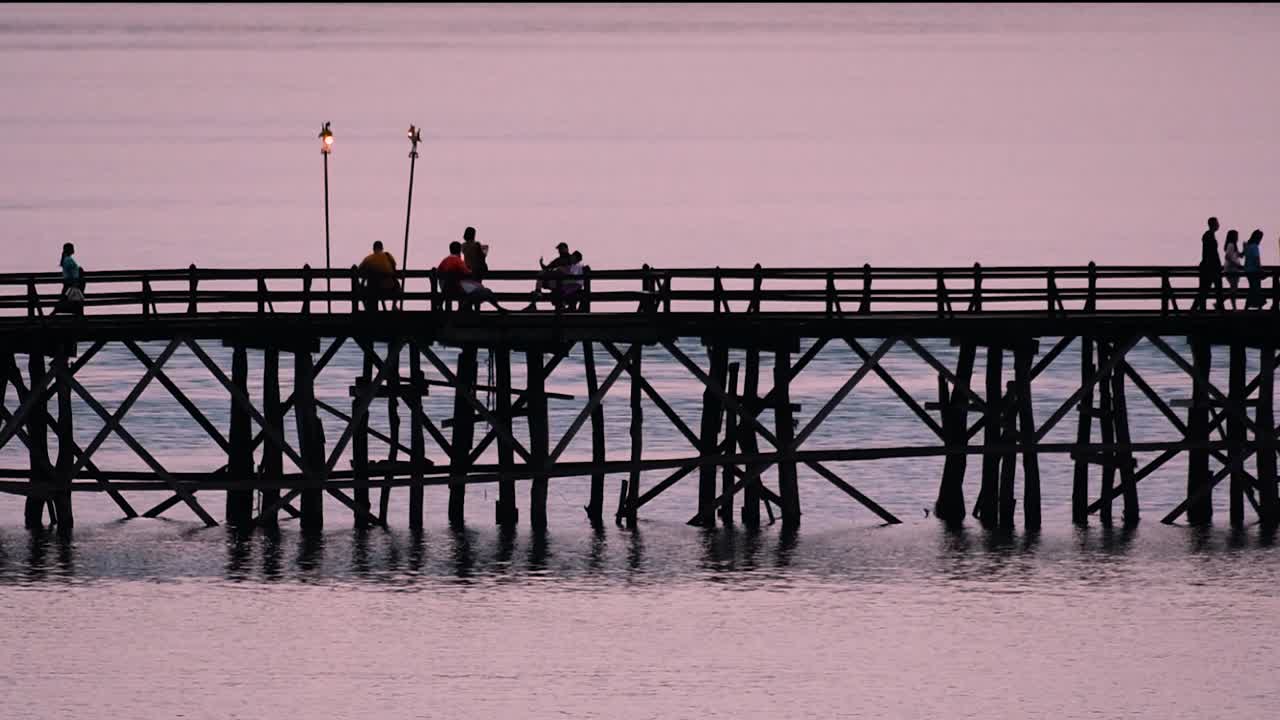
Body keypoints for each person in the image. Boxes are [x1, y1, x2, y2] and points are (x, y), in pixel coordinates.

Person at [437, 241, 506, 312]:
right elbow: (468, 273)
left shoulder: (444, 261)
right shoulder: (457, 261)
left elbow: (438, 273)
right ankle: (498, 308)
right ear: (459, 250)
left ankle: (465, 307)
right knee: (485, 291)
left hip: (446, 289)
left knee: (477, 291)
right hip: (458, 289)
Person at [357, 241, 400, 312]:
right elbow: (394, 267)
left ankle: (370, 310)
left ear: (373, 249)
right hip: (389, 288)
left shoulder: (368, 259)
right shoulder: (388, 256)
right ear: (382, 248)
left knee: (365, 287)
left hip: (374, 290)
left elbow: (358, 272)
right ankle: (394, 306)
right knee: (397, 284)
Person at [1193, 216, 1224, 311]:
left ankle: (1197, 309)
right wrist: (1217, 265)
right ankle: (1218, 309)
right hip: (1211, 267)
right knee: (1209, 289)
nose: (1218, 225)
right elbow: (1211, 253)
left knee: (1205, 290)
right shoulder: (1208, 236)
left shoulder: (1208, 235)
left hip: (1209, 267)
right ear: (1213, 224)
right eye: (1217, 223)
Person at [52, 242, 85, 316]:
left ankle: (52, 317)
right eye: (72, 248)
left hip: (69, 284)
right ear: (69, 250)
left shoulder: (67, 259)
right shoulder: (68, 260)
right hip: (71, 284)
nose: (74, 249)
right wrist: (76, 278)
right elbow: (72, 272)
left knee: (65, 302)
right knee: (74, 303)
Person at [1244, 229, 1265, 309]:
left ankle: (1249, 306)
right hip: (1254, 271)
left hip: (1248, 270)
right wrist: (1261, 270)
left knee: (1253, 289)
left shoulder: (1248, 246)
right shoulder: (1255, 247)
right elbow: (1256, 260)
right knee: (1256, 289)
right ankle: (1259, 306)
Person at [1223, 230, 1243, 309]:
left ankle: (1233, 307)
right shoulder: (1231, 245)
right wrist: (1237, 265)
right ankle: (1233, 307)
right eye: (1236, 236)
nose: (1237, 238)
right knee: (1233, 289)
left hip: (1233, 269)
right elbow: (1227, 257)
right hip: (1231, 269)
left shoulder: (1233, 245)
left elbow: (1240, 256)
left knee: (1233, 289)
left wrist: (1244, 249)